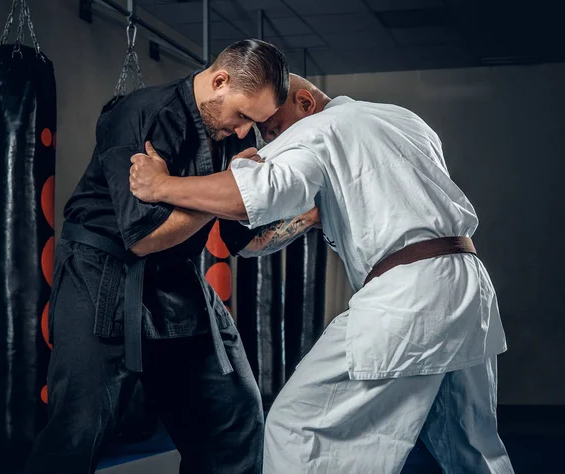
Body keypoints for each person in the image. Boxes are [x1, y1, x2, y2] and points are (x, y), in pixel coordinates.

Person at [128, 74, 515, 473]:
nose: (270, 142)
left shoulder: (319, 128)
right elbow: (371, 207)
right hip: (468, 289)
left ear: (305, 104)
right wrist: (311, 217)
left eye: (273, 128)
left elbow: (248, 199)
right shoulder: (402, 120)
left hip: (407, 296)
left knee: (296, 427)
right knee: (470, 443)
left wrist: (161, 184)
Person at [23, 39, 289, 474]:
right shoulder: (143, 113)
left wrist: (303, 218)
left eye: (253, 123)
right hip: (101, 273)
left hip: (175, 275)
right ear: (219, 81)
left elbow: (243, 239)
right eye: (242, 115)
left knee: (234, 413)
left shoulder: (226, 137)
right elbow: (143, 235)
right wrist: (225, 190)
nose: (245, 131)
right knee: (79, 426)